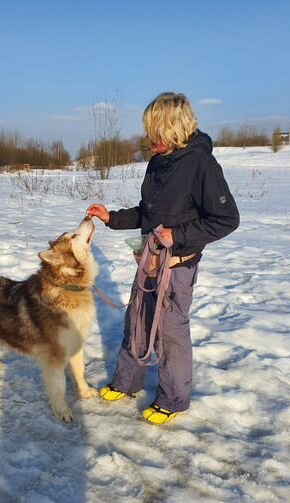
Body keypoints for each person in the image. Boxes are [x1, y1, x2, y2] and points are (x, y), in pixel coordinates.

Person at [87, 92, 239, 425]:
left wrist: (178, 236)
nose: (149, 139)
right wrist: (111, 218)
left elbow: (227, 219)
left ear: (171, 129)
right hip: (149, 261)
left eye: (154, 131)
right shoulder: (158, 162)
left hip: (178, 265)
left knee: (170, 332)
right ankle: (127, 383)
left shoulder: (202, 164)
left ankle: (173, 399)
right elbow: (146, 212)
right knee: (137, 321)